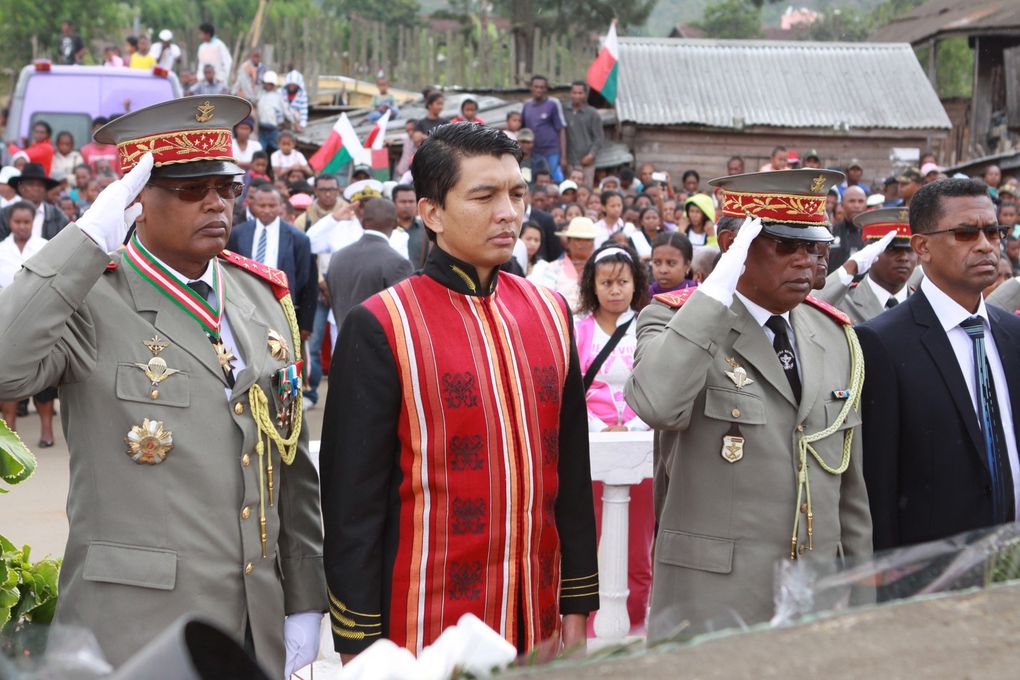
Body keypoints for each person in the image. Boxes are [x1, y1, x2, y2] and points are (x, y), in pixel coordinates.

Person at [0, 95, 326, 676]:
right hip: (134, 626)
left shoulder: (262, 298)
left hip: (254, 620)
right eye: (189, 188)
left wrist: (302, 595)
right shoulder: (90, 296)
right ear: (135, 199)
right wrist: (85, 239)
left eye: (227, 188)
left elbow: (289, 460)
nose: (216, 203)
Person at [319, 122, 598, 659]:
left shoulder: (549, 312)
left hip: (534, 617)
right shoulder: (383, 324)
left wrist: (577, 605)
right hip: (424, 628)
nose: (509, 213)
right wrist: (359, 645)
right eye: (484, 195)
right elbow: (352, 505)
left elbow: (573, 472)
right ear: (432, 213)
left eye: (516, 193)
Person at [626, 168, 872, 638]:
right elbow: (656, 402)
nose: (806, 261)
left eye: (814, 247)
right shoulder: (676, 320)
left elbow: (851, 493)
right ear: (731, 244)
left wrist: (862, 605)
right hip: (714, 600)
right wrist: (717, 288)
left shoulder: (835, 335)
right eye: (784, 245)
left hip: (815, 597)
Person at [859, 179, 1020, 551]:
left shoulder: (1013, 333)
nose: (985, 245)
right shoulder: (881, 342)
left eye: (993, 231)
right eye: (965, 233)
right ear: (922, 246)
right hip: (932, 572)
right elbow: (879, 485)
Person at [574, 244, 652, 634]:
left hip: (640, 447)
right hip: (592, 447)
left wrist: (634, 427)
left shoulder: (649, 326)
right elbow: (571, 391)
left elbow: (658, 385)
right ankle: (591, 628)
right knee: (593, 540)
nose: (615, 290)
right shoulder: (579, 329)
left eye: (623, 281)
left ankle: (635, 623)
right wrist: (599, 428)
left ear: (635, 283)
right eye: (606, 282)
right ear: (593, 285)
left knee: (637, 546)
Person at [226, 183, 318, 336]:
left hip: (282, 309)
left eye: (272, 205)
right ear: (252, 205)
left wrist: (305, 323)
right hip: (246, 309)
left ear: (281, 206)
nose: (267, 210)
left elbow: (306, 280)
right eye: (262, 205)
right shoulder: (237, 234)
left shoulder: (298, 239)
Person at [325, 197, 412, 330]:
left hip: (343, 343)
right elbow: (404, 316)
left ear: (363, 223)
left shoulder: (337, 257)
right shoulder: (398, 263)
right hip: (379, 347)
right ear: (395, 224)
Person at [817, 209, 914, 323]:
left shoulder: (925, 301)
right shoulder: (843, 300)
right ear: (870, 250)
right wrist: (851, 266)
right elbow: (806, 308)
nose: (904, 257)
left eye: (910, 249)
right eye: (892, 249)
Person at [0, 163, 67, 240]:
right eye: (30, 184)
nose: (36, 188)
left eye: (40, 185)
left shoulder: (58, 217)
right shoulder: (4, 215)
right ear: (21, 187)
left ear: (45, 189)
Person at [521, 75, 568, 183]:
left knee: (552, 179)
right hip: (534, 152)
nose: (539, 89)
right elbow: (522, 128)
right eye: (536, 87)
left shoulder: (552, 104)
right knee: (533, 180)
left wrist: (563, 156)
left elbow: (561, 129)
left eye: (542, 87)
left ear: (546, 89)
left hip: (551, 151)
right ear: (531, 88)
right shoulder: (526, 106)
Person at [565, 81, 603, 188]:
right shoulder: (565, 110)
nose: (577, 96)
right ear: (570, 93)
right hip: (569, 161)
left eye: (580, 93)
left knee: (585, 190)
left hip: (586, 163)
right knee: (569, 189)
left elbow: (599, 138)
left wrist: (591, 155)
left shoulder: (592, 113)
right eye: (574, 92)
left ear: (585, 95)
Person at [827, 185, 868, 272]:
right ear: (842, 205)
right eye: (852, 201)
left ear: (866, 205)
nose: (856, 205)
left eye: (860, 201)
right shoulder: (831, 233)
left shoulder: (873, 235)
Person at [649, 231, 695, 296]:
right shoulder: (644, 296)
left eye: (671, 263)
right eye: (657, 263)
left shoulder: (698, 294)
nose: (663, 270)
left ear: (687, 266)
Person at [392, 183, 427, 268]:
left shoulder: (426, 230)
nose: (407, 205)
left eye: (411, 201)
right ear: (393, 203)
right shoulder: (387, 229)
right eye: (403, 202)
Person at [257, 71, 288, 157]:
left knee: (276, 150)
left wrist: (295, 122)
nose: (267, 86)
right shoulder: (260, 95)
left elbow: (286, 111)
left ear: (273, 85)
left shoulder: (278, 97)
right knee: (261, 151)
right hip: (262, 129)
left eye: (269, 84)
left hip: (273, 129)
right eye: (266, 84)